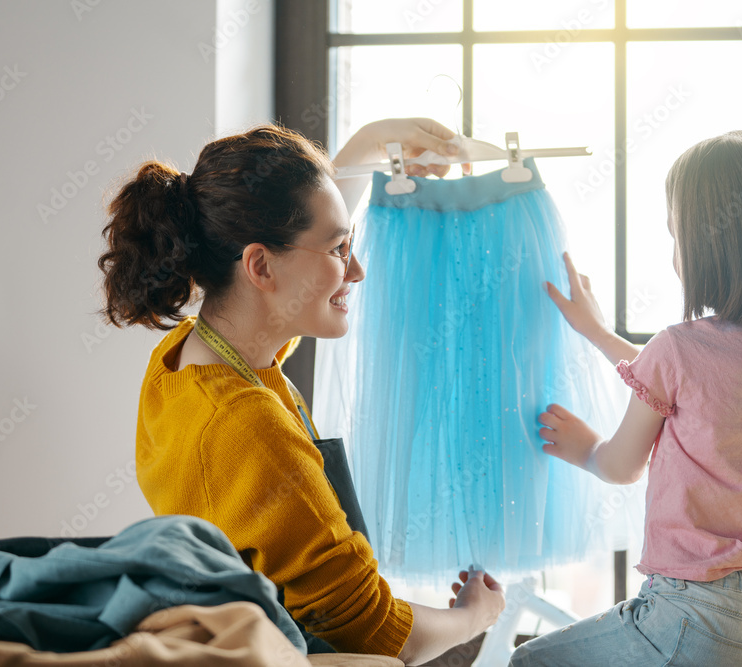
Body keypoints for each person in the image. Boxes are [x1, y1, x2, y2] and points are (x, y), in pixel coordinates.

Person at [96, 118, 504, 664]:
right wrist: (477, 615)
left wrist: (367, 145)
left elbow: (296, 264)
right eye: (340, 250)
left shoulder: (190, 361)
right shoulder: (249, 423)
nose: (356, 270)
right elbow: (379, 635)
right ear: (260, 266)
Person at [512, 130, 742, 666]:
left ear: (713, 246)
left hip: (696, 615)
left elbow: (620, 465)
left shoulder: (677, 348)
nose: (674, 252)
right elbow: (697, 380)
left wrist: (584, 446)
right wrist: (599, 333)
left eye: (676, 235)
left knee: (529, 662)